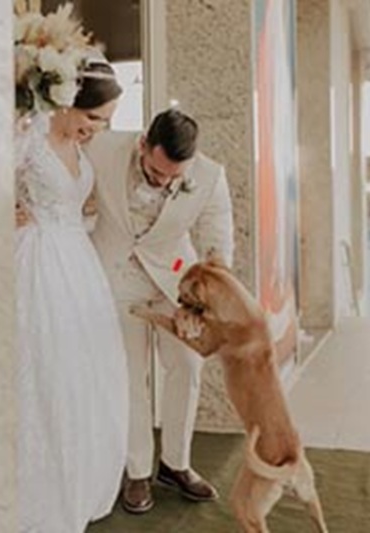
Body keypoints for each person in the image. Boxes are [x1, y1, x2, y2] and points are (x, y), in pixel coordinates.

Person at [83, 108, 235, 514]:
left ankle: (176, 463)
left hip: (174, 282)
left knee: (188, 364)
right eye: (156, 171)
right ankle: (136, 472)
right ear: (142, 145)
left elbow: (218, 249)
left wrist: (200, 307)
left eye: (173, 177)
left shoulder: (210, 176)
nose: (164, 181)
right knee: (132, 375)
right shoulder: (101, 148)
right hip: (115, 278)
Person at [14, 61, 129, 532]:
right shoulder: (27, 133)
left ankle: (76, 480)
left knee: (81, 373)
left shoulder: (82, 149)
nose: (98, 129)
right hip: (34, 261)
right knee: (41, 370)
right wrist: (4, 209)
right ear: (70, 102)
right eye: (96, 117)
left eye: (103, 121)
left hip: (76, 264)